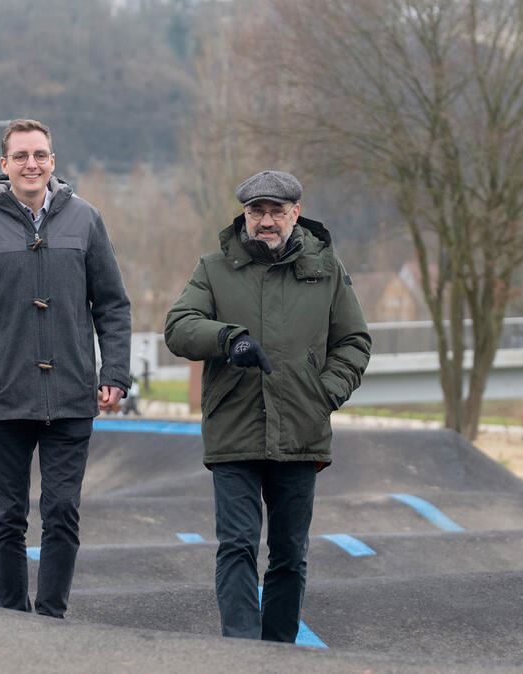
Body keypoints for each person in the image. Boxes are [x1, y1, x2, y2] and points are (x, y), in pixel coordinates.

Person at [0, 119, 131, 619]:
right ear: (4, 165)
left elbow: (112, 304)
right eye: (20, 156)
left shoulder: (85, 220)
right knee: (8, 516)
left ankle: (52, 614)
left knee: (62, 511)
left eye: (40, 154)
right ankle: (12, 616)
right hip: (5, 394)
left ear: (53, 162)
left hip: (71, 392)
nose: (31, 164)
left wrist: (115, 373)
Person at [164, 170, 371, 642]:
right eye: (257, 211)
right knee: (236, 545)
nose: (266, 221)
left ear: (296, 213)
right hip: (234, 430)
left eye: (277, 211)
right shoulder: (214, 268)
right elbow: (178, 326)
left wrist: (326, 393)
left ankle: (278, 652)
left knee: (289, 553)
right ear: (245, 214)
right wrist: (227, 338)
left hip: (301, 429)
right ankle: (241, 653)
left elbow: (354, 341)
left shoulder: (327, 270)